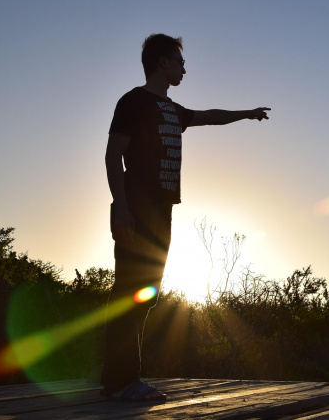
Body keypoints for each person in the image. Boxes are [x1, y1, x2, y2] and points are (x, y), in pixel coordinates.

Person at [100, 34, 270, 401]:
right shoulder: (133, 101)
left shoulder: (172, 110)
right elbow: (114, 155)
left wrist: (246, 113)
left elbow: (209, 117)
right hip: (137, 209)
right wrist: (123, 207)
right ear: (161, 61)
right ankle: (120, 382)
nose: (184, 67)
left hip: (163, 212)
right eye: (179, 61)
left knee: (145, 296)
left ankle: (124, 377)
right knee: (128, 292)